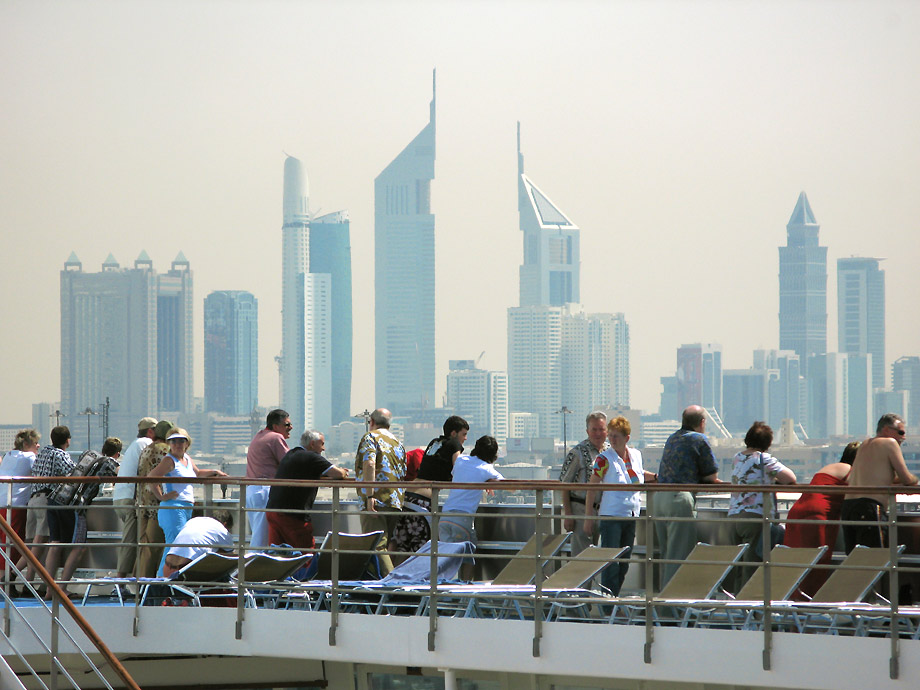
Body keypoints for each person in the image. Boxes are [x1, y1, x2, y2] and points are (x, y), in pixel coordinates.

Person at [584, 417, 656, 596]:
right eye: (611, 436)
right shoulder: (604, 459)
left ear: (627, 438)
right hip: (611, 516)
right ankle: (609, 601)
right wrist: (588, 518)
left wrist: (657, 477)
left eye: (617, 436)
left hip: (631, 515)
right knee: (611, 562)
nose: (612, 440)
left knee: (624, 561)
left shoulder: (636, 455)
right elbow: (592, 487)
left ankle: (614, 596)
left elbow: (637, 476)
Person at [652, 406, 722, 588]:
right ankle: (673, 610)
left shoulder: (672, 438)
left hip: (659, 499)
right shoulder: (699, 439)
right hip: (679, 499)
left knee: (667, 556)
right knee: (679, 557)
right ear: (702, 422)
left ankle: (661, 606)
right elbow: (711, 477)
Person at [44, 437, 122, 599]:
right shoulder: (111, 463)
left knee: (55, 545)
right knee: (78, 547)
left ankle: (49, 589)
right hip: (73, 504)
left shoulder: (89, 454)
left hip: (55, 497)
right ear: (118, 454)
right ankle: (62, 588)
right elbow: (121, 479)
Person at [725, 422, 796, 592]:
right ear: (767, 443)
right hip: (754, 517)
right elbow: (790, 478)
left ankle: (737, 606)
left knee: (739, 565)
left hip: (733, 516)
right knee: (753, 566)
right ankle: (751, 608)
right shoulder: (763, 458)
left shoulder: (737, 457)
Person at [147, 428, 227, 576]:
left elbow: (197, 473)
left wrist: (214, 472)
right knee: (174, 546)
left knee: (177, 546)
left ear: (187, 443)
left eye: (181, 440)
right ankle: (160, 581)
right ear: (169, 444)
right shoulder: (169, 460)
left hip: (184, 507)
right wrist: (161, 496)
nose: (177, 444)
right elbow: (152, 477)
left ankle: (166, 580)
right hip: (173, 507)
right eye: (173, 441)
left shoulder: (187, 459)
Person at [784, 441, 859, 597]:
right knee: (818, 561)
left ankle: (793, 601)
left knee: (796, 562)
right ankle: (810, 604)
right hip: (818, 515)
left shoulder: (833, 467)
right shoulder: (852, 471)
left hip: (798, 511)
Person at [392, 416, 469, 554]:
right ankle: (421, 576)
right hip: (422, 503)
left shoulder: (434, 443)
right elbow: (459, 469)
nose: (465, 438)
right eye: (464, 434)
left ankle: (392, 575)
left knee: (403, 546)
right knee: (424, 549)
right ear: (453, 433)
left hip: (408, 497)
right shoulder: (454, 444)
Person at [841, 414, 917, 553]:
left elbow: (877, 477)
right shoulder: (889, 443)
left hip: (848, 507)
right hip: (869, 507)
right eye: (901, 432)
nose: (903, 437)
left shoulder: (865, 444)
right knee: (874, 558)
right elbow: (906, 478)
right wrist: (915, 480)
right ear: (887, 430)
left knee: (853, 559)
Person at [266, 430, 348, 551]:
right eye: (322, 444)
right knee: (306, 553)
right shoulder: (311, 457)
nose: (323, 448)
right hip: (292, 515)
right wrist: (343, 472)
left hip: (273, 511)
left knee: (278, 555)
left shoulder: (291, 454)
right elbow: (338, 473)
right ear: (312, 444)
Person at [355, 408, 406, 577]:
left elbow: (369, 464)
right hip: (395, 500)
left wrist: (369, 496)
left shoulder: (370, 437)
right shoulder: (397, 443)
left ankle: (391, 587)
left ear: (371, 422)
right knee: (383, 545)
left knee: (376, 545)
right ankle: (381, 585)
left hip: (376, 500)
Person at [23, 426, 74, 590]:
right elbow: (73, 473)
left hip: (32, 499)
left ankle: (27, 582)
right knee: (41, 543)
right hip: (46, 499)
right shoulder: (61, 454)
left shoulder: (43, 451)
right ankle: (17, 576)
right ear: (67, 440)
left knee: (31, 543)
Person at [559, 411, 609, 557]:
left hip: (603, 510)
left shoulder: (609, 452)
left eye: (601, 429)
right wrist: (568, 514)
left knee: (598, 558)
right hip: (580, 510)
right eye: (594, 429)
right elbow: (564, 485)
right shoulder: (577, 453)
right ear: (587, 431)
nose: (598, 433)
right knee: (582, 557)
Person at [438, 435, 504, 545]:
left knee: (446, 556)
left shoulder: (461, 460)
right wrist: (487, 481)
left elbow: (460, 474)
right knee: (467, 554)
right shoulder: (486, 468)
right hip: (462, 519)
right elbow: (510, 487)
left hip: (445, 516)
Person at [112, 417, 157, 579]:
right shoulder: (146, 444)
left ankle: (129, 578)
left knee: (133, 540)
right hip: (130, 499)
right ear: (151, 431)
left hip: (120, 497)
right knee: (131, 541)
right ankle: (121, 581)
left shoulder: (134, 444)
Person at [246, 409, 292, 548]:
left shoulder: (259, 436)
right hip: (265, 490)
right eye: (287, 424)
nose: (290, 428)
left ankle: (254, 565)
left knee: (259, 534)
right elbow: (289, 463)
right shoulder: (275, 437)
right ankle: (253, 567)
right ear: (275, 426)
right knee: (261, 540)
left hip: (252, 491)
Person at [135, 420, 173, 577]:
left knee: (143, 545)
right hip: (156, 504)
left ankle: (136, 582)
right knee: (154, 547)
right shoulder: (166, 450)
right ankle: (146, 584)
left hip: (141, 502)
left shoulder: (146, 449)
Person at [1, 429, 40, 576]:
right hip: (16, 505)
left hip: (2, 502)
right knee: (14, 544)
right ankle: (4, 581)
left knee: (6, 544)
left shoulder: (8, 456)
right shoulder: (29, 457)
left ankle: (5, 580)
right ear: (26, 444)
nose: (38, 446)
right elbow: (40, 471)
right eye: (35, 443)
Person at [162, 510, 235, 577]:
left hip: (167, 567)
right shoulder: (221, 529)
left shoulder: (193, 521)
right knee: (223, 554)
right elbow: (231, 556)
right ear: (225, 524)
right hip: (187, 570)